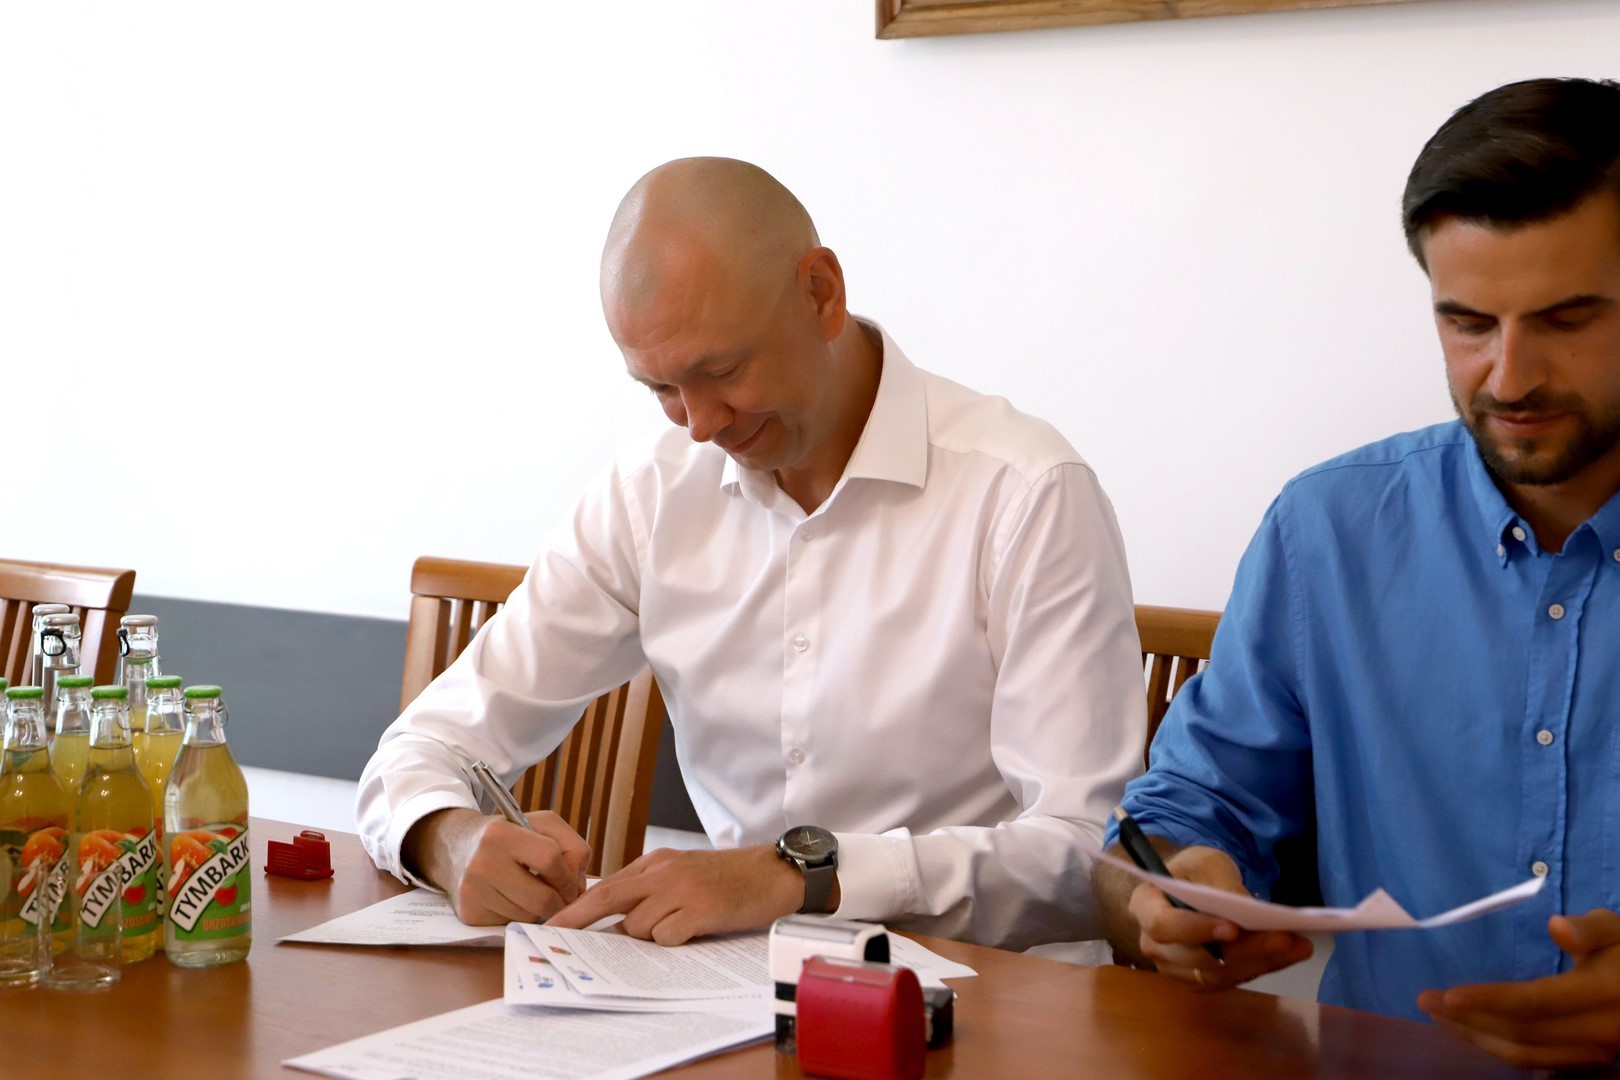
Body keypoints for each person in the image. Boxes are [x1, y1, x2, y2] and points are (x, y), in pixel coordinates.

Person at [358, 156, 1146, 953]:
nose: (700, 425)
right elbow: (423, 747)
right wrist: (447, 838)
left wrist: (801, 877)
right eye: (661, 390)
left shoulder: (1026, 492)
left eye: (722, 370)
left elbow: (1088, 851)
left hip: (989, 994)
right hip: (731, 986)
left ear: (821, 294)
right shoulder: (649, 495)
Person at [1094, 78, 1620, 1071]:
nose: (1510, 377)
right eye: (1468, 323)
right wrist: (1163, 900)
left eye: (1567, 320)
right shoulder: (1328, 533)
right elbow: (1169, 825)